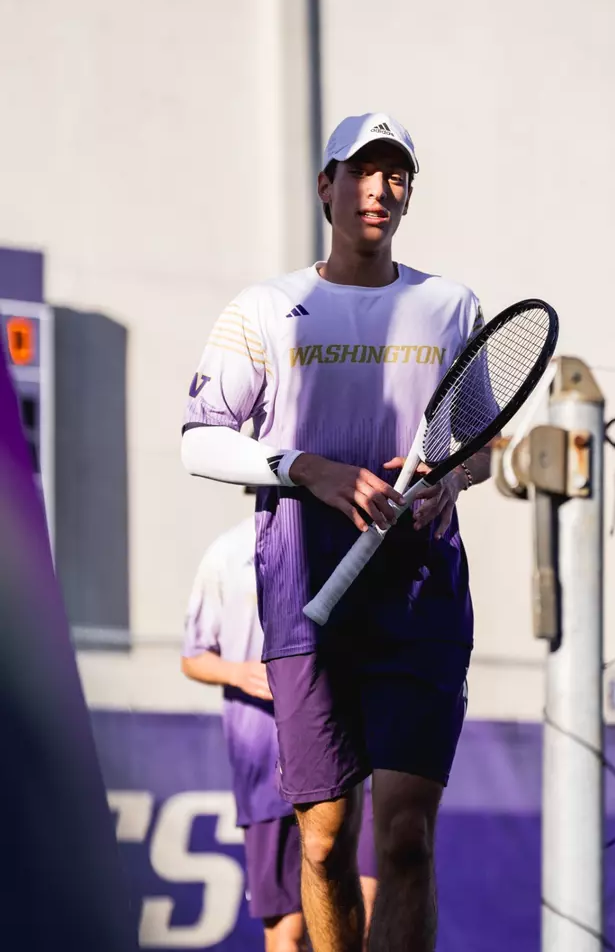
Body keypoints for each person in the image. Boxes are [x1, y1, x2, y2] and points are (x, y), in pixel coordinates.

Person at [181, 112, 495, 952]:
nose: (380, 189)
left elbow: (481, 447)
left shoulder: (449, 305)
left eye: (396, 175)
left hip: (422, 595)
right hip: (304, 596)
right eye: (362, 171)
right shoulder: (265, 308)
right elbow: (200, 438)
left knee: (404, 840)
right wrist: (304, 467)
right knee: (321, 845)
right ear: (326, 186)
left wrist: (450, 480)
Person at [181, 511, 378, 952]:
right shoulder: (228, 552)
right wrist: (238, 672)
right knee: (288, 929)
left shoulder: (352, 535)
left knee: (365, 907)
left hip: (344, 750)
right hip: (263, 757)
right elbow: (192, 655)